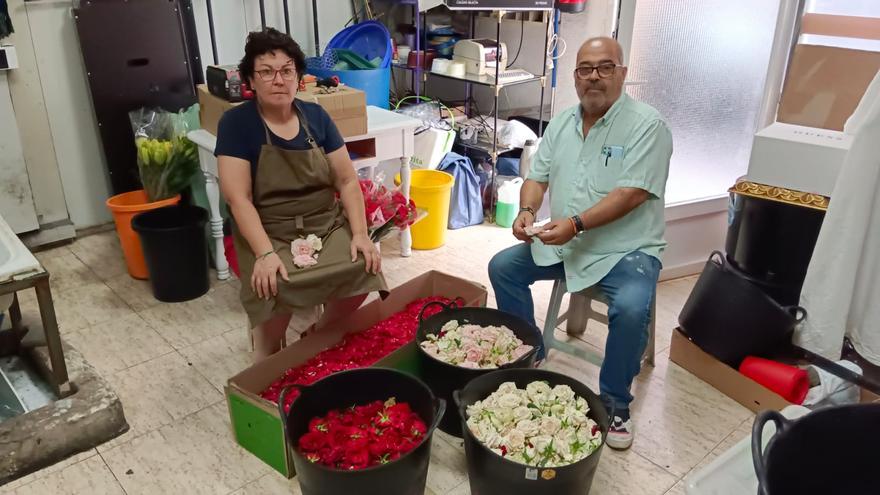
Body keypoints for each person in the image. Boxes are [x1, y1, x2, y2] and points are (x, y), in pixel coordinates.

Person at [488, 37, 672, 450]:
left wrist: (574, 223)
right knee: (503, 268)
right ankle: (531, 351)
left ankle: (614, 402)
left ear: (622, 74)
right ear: (574, 78)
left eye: (605, 67)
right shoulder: (564, 122)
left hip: (627, 248)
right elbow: (537, 177)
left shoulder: (648, 125)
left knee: (629, 307)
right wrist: (528, 213)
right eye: (585, 69)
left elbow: (632, 194)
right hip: (568, 240)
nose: (594, 77)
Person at [215, 28, 387, 361]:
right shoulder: (236, 124)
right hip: (268, 228)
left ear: (299, 77)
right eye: (266, 71)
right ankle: (267, 354)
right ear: (251, 79)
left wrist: (362, 235)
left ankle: (320, 332)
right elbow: (239, 199)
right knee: (272, 285)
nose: (278, 80)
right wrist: (264, 254)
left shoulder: (317, 117)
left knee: (364, 266)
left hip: (324, 221)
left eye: (287, 70)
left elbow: (348, 181)